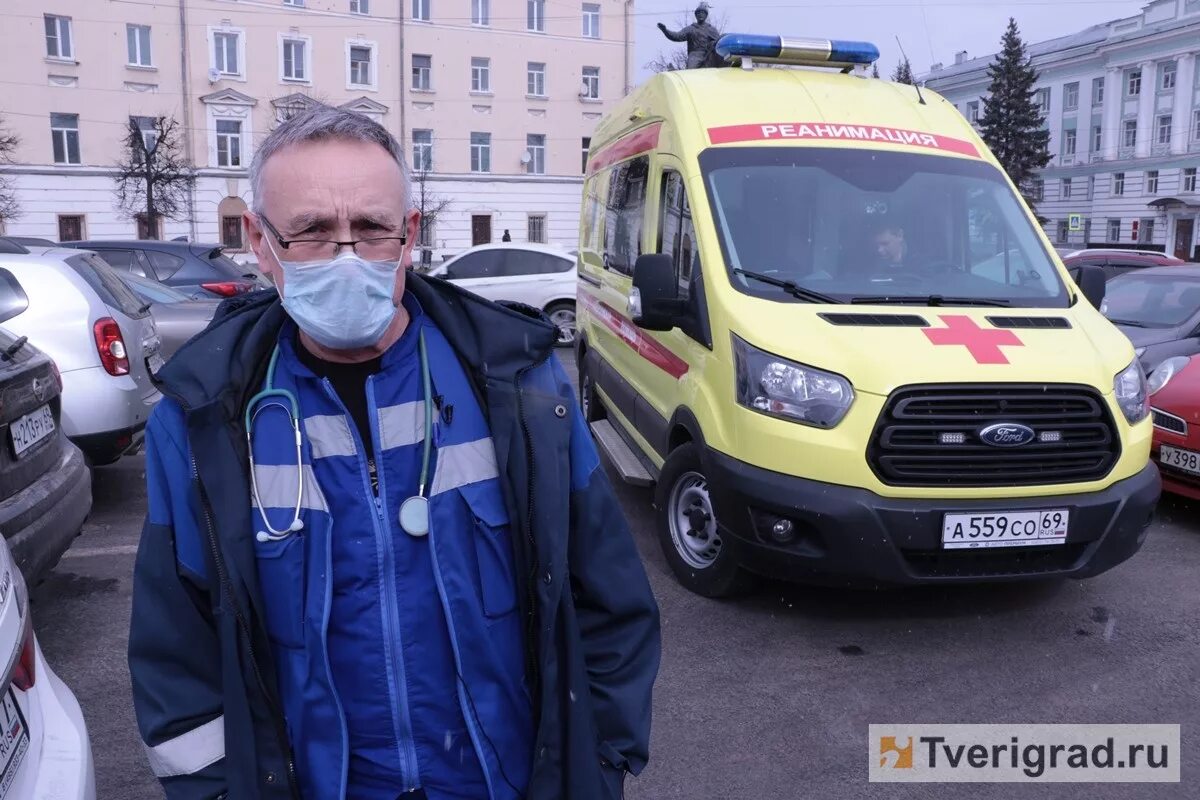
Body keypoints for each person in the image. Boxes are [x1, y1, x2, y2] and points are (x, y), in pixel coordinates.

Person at [128, 106, 661, 800]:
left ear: (409, 235)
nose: (347, 257)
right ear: (262, 244)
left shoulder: (520, 390)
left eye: (372, 229)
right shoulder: (203, 422)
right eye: (314, 233)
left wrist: (600, 766)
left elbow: (611, 602)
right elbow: (178, 658)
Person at [656, 2, 722, 70]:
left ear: (706, 15)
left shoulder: (712, 29)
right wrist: (665, 30)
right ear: (696, 15)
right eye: (698, 13)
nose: (700, 14)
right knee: (691, 70)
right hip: (695, 55)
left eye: (703, 12)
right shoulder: (690, 28)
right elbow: (677, 36)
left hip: (708, 54)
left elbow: (719, 43)